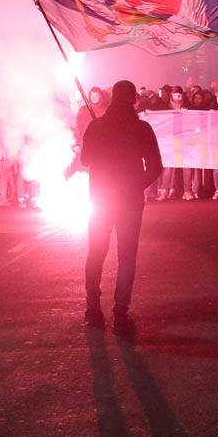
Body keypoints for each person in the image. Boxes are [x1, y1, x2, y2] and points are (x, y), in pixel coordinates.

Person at [80, 80, 163, 336]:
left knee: (96, 253)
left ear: (112, 98)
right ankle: (120, 310)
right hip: (129, 200)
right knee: (127, 257)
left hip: (101, 198)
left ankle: (93, 308)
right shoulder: (142, 128)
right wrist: (138, 183)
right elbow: (156, 167)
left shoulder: (97, 125)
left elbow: (85, 159)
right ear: (133, 100)